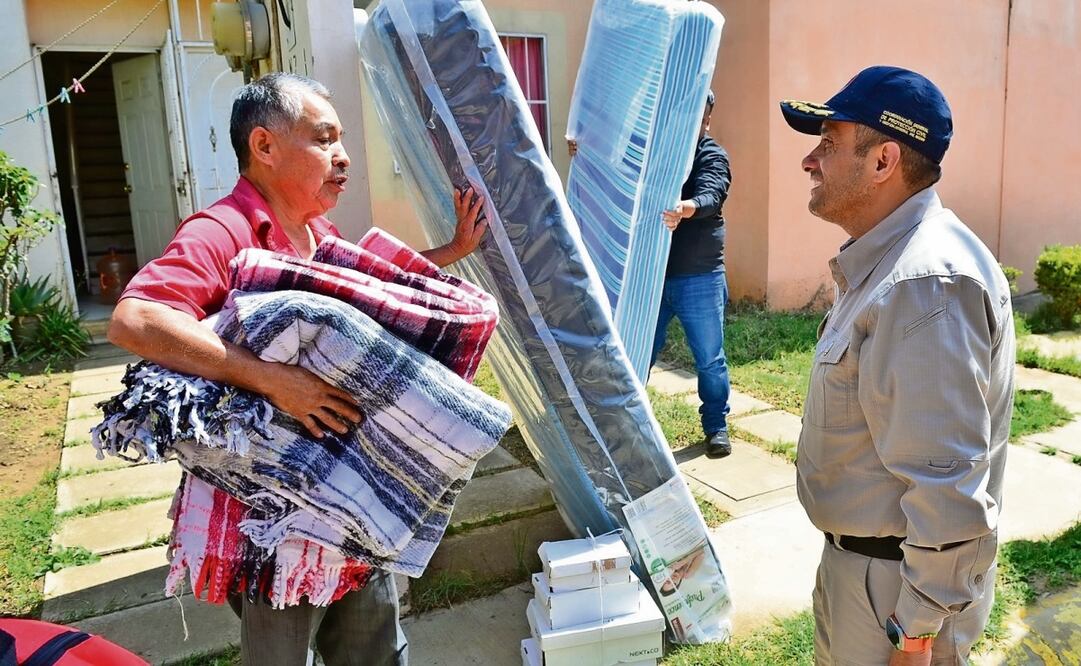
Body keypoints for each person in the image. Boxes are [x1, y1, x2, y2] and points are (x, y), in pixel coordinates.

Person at [107, 72, 487, 666]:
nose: (343, 157)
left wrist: (449, 256)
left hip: (352, 493)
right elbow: (135, 320)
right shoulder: (222, 232)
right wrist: (276, 381)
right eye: (324, 139)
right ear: (265, 147)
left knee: (373, 646)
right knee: (281, 655)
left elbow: (379, 294)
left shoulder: (318, 233)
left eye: (340, 142)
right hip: (270, 515)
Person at [779, 66, 1014, 665]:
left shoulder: (922, 283)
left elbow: (947, 483)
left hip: (893, 594)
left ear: (883, 161)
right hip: (863, 572)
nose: (811, 161)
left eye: (828, 145)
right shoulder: (891, 265)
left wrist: (916, 632)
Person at [653, 90, 734, 458]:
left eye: (700, 117)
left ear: (707, 119)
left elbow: (713, 192)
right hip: (651, 276)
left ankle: (716, 426)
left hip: (699, 277)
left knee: (709, 359)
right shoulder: (660, 154)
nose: (692, 123)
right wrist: (583, 150)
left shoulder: (712, 154)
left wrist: (687, 207)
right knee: (636, 355)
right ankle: (623, 425)